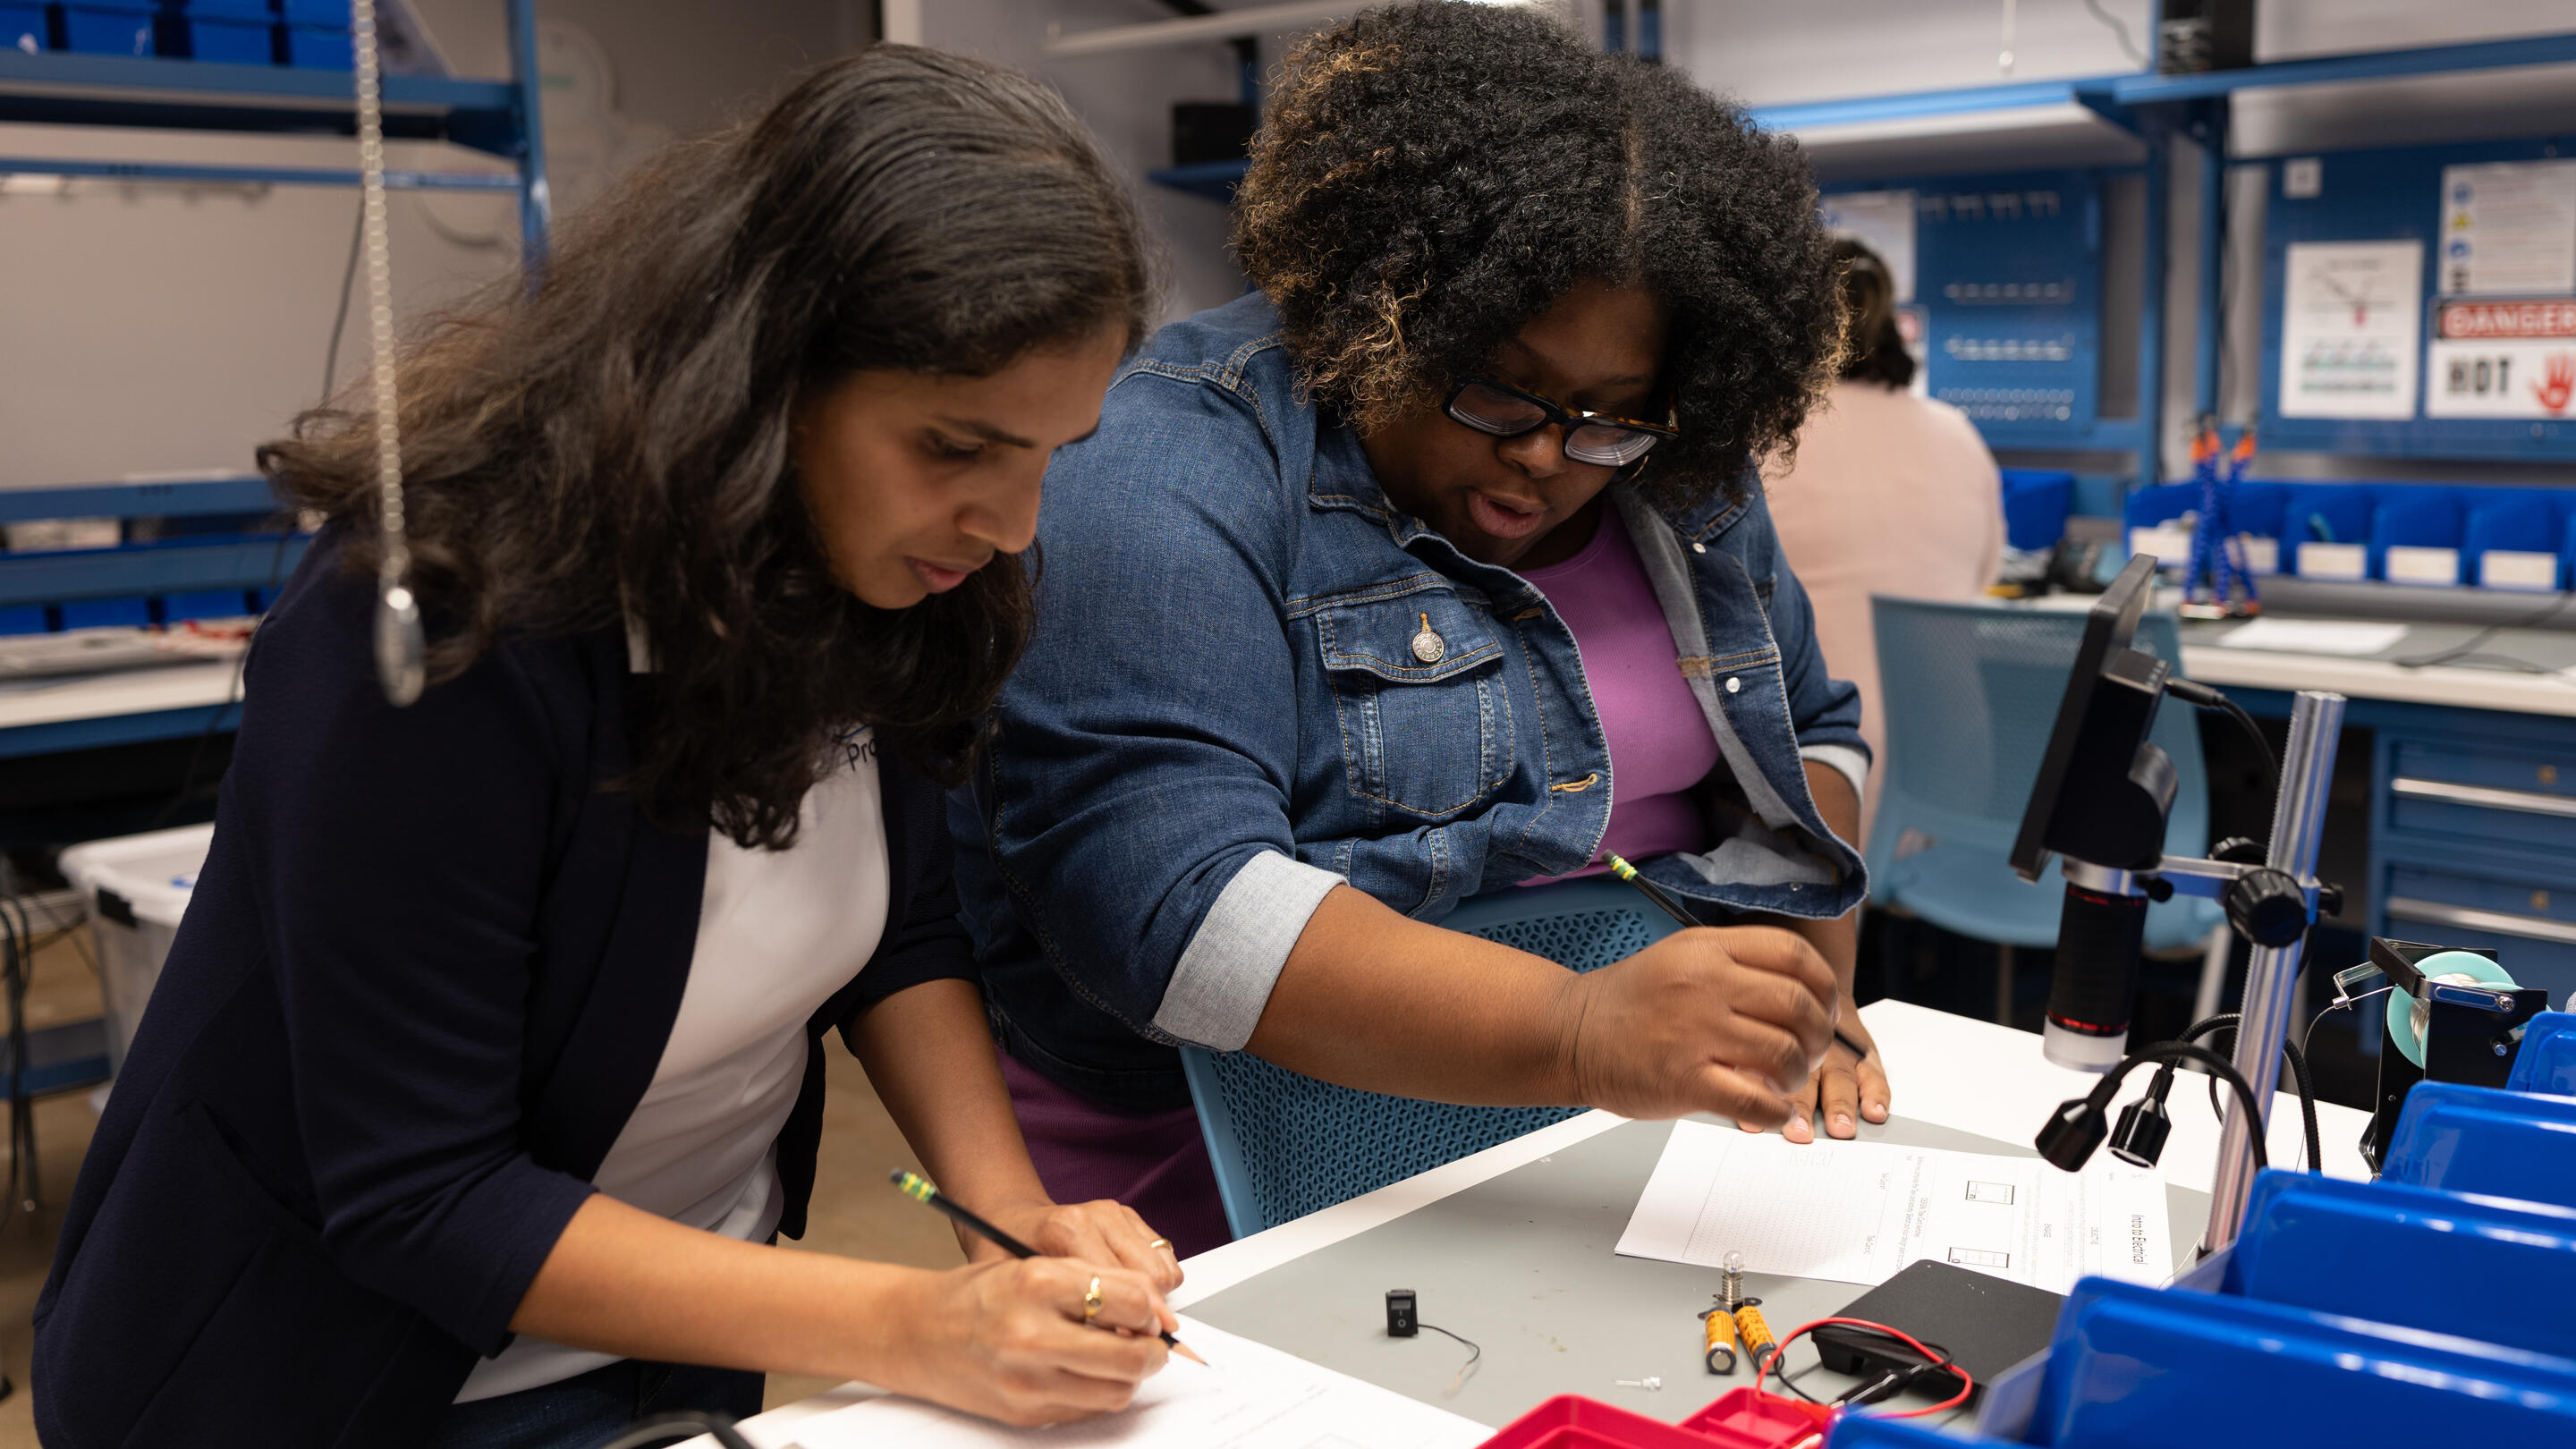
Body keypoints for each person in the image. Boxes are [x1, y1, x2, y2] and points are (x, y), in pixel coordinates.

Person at [37, 47, 1185, 1449]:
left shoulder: (877, 575)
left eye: (1049, 456)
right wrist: (904, 1329)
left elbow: (903, 930)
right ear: (762, 375)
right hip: (330, 1388)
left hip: (681, 1346)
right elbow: (422, 1192)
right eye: (957, 447)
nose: (1009, 523)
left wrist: (1010, 1224)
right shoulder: (447, 627)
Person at [950, 1, 1888, 1259]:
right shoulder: (1166, 463)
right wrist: (1580, 1025)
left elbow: (1814, 736)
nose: (1549, 456)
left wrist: (1797, 996)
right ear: (1374, 311)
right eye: (1497, 385)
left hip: (1603, 1128)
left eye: (1609, 416)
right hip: (1237, 1166)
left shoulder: (1675, 470)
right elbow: (1183, 913)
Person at [1765, 238, 2007, 846]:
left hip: (1817, 784)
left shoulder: (1767, 437)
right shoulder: (1958, 434)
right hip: (1950, 783)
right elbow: (1985, 576)